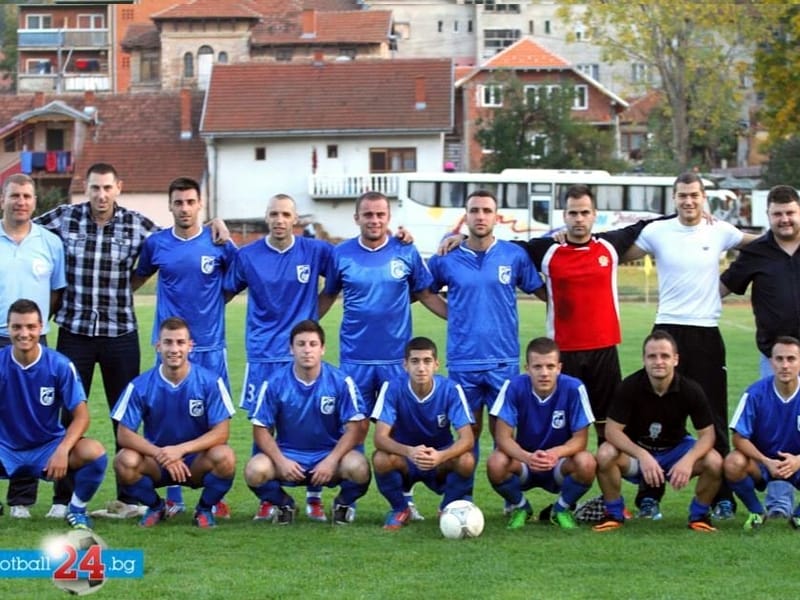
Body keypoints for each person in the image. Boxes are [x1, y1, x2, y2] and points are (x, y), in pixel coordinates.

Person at [35, 163, 229, 519]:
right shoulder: (64, 218)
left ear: (118, 188)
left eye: (107, 188)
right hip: (75, 331)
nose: (101, 194)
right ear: (86, 188)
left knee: (123, 415)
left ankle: (129, 497)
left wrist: (216, 223)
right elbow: (26, 229)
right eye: (95, 188)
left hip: (120, 333)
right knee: (66, 413)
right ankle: (62, 498)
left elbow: (181, 236)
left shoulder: (138, 225)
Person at [627, 171, 756, 519]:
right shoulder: (657, 231)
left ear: (704, 198)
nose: (688, 201)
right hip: (667, 329)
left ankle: (721, 495)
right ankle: (649, 495)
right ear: (674, 199)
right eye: (682, 195)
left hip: (706, 333)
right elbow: (617, 252)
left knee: (713, 414)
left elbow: (760, 244)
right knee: (654, 413)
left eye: (694, 195)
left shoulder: (721, 230)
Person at [319, 190, 446, 519]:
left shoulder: (405, 249)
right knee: (354, 429)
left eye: (380, 215)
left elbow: (424, 293)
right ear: (356, 218)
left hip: (395, 360)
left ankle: (405, 501)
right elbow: (328, 295)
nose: (374, 220)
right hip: (355, 359)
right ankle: (348, 499)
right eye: (368, 215)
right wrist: (299, 331)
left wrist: (456, 316)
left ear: (389, 218)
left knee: (401, 431)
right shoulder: (341, 254)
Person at [516, 184, 660, 445]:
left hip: (603, 350)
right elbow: (502, 248)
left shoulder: (609, 245)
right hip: (564, 353)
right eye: (573, 213)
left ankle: (609, 487)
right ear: (564, 216)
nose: (579, 219)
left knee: (609, 430)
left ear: (594, 214)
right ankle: (569, 483)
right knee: (568, 429)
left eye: (584, 212)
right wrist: (459, 239)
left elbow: (649, 224)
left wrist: (699, 217)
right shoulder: (547, 250)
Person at [224, 193, 335, 521]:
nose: (279, 219)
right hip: (262, 356)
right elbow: (224, 290)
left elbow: (345, 271)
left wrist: (314, 315)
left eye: (286, 214)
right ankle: (269, 498)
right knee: (263, 426)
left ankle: (314, 495)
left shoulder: (315, 251)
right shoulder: (249, 256)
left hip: (301, 355)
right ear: (266, 217)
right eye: (273, 213)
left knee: (312, 420)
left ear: (296, 219)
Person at [427, 190, 544, 496]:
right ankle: (462, 498)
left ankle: (510, 498)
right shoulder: (447, 257)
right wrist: (454, 316)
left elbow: (541, 290)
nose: (480, 216)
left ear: (496, 217)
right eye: (474, 210)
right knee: (468, 432)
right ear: (465, 216)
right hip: (463, 361)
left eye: (487, 211)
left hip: (502, 360)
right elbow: (425, 291)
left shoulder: (513, 256)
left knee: (503, 433)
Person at [132, 176, 237, 518]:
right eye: (178, 202)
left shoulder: (218, 241)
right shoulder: (157, 243)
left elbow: (241, 275)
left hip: (210, 345)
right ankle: (172, 492)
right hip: (169, 346)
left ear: (200, 204)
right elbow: (136, 279)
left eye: (191, 202)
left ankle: (212, 495)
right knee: (164, 416)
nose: (185, 208)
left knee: (213, 420)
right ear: (170, 205)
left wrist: (215, 302)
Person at [720, 184, 800, 517]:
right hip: (776, 356)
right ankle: (779, 505)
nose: (784, 219)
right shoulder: (757, 251)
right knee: (780, 430)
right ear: (768, 215)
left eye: (790, 213)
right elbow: (722, 287)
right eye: (778, 214)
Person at [111, 317, 236, 529]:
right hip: (158, 462)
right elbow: (124, 434)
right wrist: (163, 455)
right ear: (158, 346)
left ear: (190, 346)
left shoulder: (210, 382)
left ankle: (204, 509)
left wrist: (180, 450)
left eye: (180, 342)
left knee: (225, 457)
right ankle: (156, 506)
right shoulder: (140, 385)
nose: (174, 349)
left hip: (196, 462)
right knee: (124, 461)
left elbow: (221, 433)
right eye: (168, 342)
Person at [592, 330, 722, 532]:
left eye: (665, 356)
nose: (658, 361)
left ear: (676, 360)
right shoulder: (630, 386)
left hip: (675, 451)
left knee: (714, 461)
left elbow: (708, 435)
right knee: (605, 453)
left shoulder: (691, 390)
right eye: (652, 356)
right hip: (637, 452)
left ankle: (699, 516)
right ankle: (614, 514)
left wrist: (688, 461)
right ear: (644, 359)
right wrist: (642, 455)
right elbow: (611, 431)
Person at [244, 320, 370, 525]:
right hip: (289, 456)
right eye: (301, 344)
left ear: (322, 349)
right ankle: (284, 504)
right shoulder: (274, 383)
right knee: (254, 470)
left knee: (359, 467)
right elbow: (260, 430)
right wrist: (281, 461)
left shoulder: (340, 381)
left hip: (329, 456)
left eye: (313, 344)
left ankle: (342, 504)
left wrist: (331, 460)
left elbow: (355, 428)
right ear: (291, 348)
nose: (307, 350)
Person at [0, 299, 107, 529]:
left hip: (47, 449)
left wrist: (63, 449)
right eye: (17, 327)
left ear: (41, 328)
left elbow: (82, 416)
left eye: (30, 327)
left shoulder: (59, 365)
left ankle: (76, 509)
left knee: (94, 452)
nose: (23, 333)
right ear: (7, 328)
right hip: (6, 448)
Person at [0, 174, 67, 518]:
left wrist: (34, 329)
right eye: (14, 196)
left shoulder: (50, 243)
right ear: (3, 200)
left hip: (31, 337)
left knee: (29, 416)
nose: (20, 202)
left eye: (26, 196)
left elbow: (56, 293)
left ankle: (22, 499)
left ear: (34, 202)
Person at [488, 337, 596, 530]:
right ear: (527, 368)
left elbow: (580, 440)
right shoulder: (513, 386)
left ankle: (561, 509)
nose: (544, 373)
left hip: (558, 463)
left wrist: (555, 453)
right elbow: (503, 437)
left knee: (587, 462)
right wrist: (527, 457)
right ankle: (521, 507)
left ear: (559, 368)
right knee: (495, 463)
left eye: (550, 366)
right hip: (525, 463)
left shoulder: (574, 388)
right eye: (537, 367)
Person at [371, 337, 475, 530]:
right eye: (415, 361)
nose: (421, 368)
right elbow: (379, 438)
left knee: (466, 460)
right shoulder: (392, 388)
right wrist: (410, 451)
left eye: (427, 361)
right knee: (381, 459)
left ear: (436, 365)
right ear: (405, 365)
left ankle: (447, 508)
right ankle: (400, 509)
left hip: (439, 458)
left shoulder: (451, 389)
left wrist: (441, 456)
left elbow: (467, 438)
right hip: (406, 458)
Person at [725, 336, 800, 530]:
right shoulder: (755, 393)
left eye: (791, 359)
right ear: (770, 362)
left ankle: (798, 516)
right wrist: (766, 461)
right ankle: (757, 512)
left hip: (797, 463)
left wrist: (797, 460)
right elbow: (738, 438)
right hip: (762, 464)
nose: (785, 365)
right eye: (779, 359)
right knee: (733, 463)